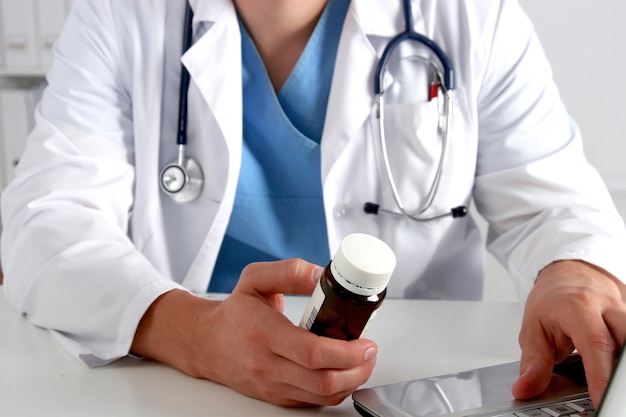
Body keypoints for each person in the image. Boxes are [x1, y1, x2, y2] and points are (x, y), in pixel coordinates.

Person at [2, 0, 626, 409]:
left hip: (405, 390)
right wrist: (191, 332)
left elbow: (553, 204)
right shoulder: (122, 14)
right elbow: (46, 220)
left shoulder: (470, 15)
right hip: (182, 386)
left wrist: (575, 272)